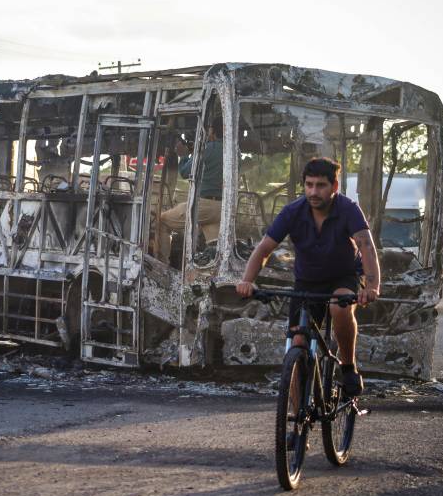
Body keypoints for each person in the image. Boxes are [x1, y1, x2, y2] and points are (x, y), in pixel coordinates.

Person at [236, 157, 380, 397]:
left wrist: (372, 287)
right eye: (309, 184)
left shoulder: (348, 209)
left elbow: (366, 246)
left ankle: (347, 367)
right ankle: (294, 420)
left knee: (339, 307)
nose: (314, 191)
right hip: (306, 281)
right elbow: (263, 249)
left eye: (321, 185)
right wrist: (247, 280)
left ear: (334, 187)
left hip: (343, 276)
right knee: (297, 342)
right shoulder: (293, 211)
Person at [157, 120, 223, 262]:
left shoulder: (208, 148)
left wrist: (184, 155)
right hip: (222, 208)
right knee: (215, 247)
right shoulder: (234, 150)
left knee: (162, 220)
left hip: (204, 205)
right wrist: (195, 152)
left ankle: (162, 265)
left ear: (212, 131)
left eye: (209, 130)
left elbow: (186, 172)